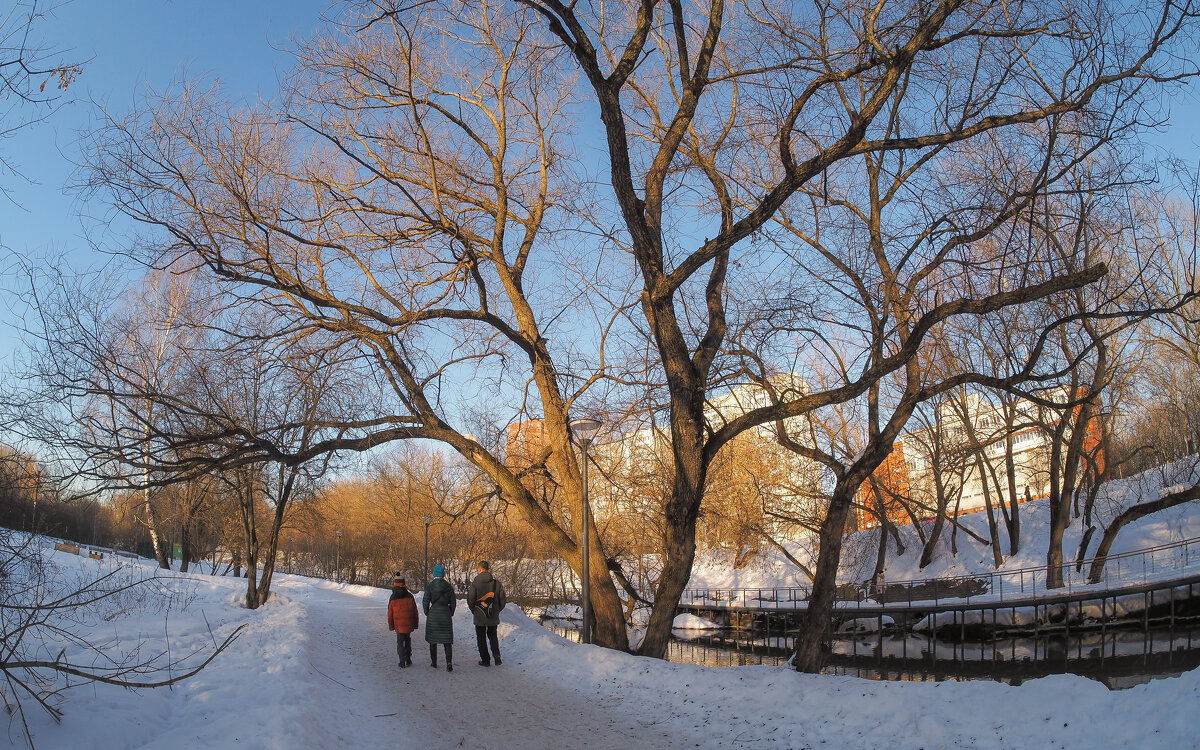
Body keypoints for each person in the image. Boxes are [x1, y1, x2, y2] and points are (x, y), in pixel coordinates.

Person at [467, 560, 507, 666]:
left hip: (479, 614)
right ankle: (497, 656)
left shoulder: (475, 583)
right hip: (493, 615)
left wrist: (474, 610)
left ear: (480, 569)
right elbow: (503, 600)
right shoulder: (496, 584)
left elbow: (470, 599)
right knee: (493, 636)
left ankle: (485, 660)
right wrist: (497, 610)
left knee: (481, 638)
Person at [422, 564, 455, 672]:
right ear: (443, 574)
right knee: (447, 640)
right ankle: (449, 662)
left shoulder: (430, 587)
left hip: (433, 615)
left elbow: (425, 601)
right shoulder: (449, 587)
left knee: (433, 640)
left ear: (434, 574)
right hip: (445, 614)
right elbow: (453, 603)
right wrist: (450, 612)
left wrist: (427, 612)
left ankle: (434, 662)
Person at [387, 574, 419, 668]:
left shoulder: (393, 597)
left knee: (400, 642)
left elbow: (390, 613)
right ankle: (408, 659)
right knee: (407, 640)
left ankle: (402, 661)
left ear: (395, 583)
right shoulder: (409, 596)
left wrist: (391, 626)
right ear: (404, 583)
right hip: (408, 623)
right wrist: (415, 624)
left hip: (398, 625)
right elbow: (414, 611)